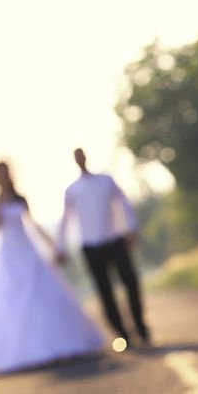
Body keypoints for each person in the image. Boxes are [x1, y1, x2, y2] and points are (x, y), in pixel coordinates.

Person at [0, 162, 105, 375]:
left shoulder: (20, 198)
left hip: (27, 249)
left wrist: (53, 246)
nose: (3, 176)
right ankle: (28, 352)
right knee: (15, 300)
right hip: (8, 254)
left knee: (43, 297)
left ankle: (59, 346)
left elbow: (33, 224)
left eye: (5, 172)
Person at [57, 148, 150, 349]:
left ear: (86, 157)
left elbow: (123, 203)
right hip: (91, 246)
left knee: (130, 283)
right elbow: (65, 220)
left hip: (114, 239)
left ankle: (141, 327)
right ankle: (122, 334)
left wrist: (131, 228)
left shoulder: (105, 181)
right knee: (105, 293)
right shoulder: (72, 190)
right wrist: (60, 247)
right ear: (75, 161)